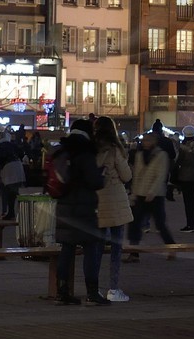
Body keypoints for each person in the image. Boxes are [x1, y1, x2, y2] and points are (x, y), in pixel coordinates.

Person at [51, 119, 107, 305]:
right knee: (91, 248)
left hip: (64, 207)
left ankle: (62, 291)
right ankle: (92, 293)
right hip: (84, 208)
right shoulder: (86, 152)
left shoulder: (61, 151)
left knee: (67, 249)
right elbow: (96, 182)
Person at [91, 117, 133, 302]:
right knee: (116, 248)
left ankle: (94, 288)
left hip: (96, 200)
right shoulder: (115, 150)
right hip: (115, 201)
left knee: (96, 248)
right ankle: (114, 289)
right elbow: (126, 175)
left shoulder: (91, 149)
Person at [128, 132, 176, 247]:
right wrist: (133, 193)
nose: (145, 143)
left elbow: (161, 175)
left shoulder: (162, 155)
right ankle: (134, 251)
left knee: (160, 224)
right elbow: (137, 175)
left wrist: (152, 191)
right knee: (135, 223)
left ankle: (171, 246)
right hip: (140, 193)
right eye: (144, 140)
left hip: (156, 195)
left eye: (148, 140)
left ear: (154, 141)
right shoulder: (139, 155)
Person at [174, 125, 194, 232]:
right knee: (193, 201)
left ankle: (189, 224)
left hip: (185, 175)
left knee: (187, 201)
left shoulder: (182, 147)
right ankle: (191, 223)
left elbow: (179, 160)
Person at [0, 131, 27, 220]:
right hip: (18, 166)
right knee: (16, 190)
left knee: (10, 192)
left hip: (8, 168)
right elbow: (21, 153)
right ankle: (20, 211)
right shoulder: (12, 145)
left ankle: (11, 212)